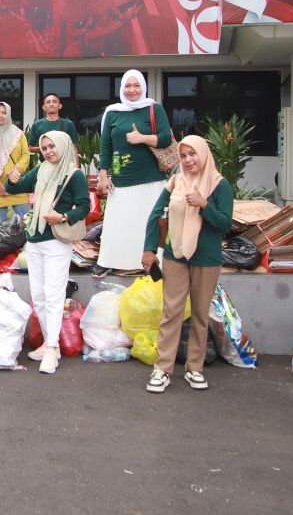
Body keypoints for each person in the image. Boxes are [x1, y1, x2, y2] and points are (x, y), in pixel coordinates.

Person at [141, 136, 233, 393]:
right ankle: (162, 369)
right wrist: (149, 249)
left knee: (201, 315)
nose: (188, 159)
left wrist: (205, 206)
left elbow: (225, 224)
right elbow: (155, 215)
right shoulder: (175, 182)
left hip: (206, 258)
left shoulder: (219, 185)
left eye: (193, 154)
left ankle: (194, 368)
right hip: (175, 256)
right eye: (183, 155)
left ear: (203, 154)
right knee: (171, 312)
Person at [6, 131, 90, 374]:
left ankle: (52, 348)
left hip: (56, 241)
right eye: (44, 148)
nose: (49, 151)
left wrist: (63, 216)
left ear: (63, 146)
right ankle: (48, 342)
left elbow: (84, 205)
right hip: (34, 241)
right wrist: (13, 178)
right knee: (39, 297)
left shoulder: (74, 174)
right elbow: (17, 187)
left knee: (53, 297)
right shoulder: (41, 170)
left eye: (53, 146)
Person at [94, 70, 173, 277]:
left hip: (151, 178)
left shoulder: (153, 108)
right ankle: (110, 261)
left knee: (152, 222)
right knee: (118, 223)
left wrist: (143, 138)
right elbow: (106, 146)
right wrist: (103, 174)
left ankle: (154, 264)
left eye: (136, 85)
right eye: (127, 86)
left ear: (143, 87)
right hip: (122, 178)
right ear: (122, 89)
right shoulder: (112, 112)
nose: (132, 90)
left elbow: (165, 138)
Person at [0, 101, 30, 227]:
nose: (0, 115)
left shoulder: (19, 134)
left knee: (27, 222)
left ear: (9, 115)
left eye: (4, 112)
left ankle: (28, 246)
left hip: (16, 183)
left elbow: (26, 154)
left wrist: (16, 170)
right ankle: (0, 247)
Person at [27, 94, 79, 164]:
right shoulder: (37, 124)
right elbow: (30, 148)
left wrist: (76, 168)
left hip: (65, 165)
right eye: (48, 102)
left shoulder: (68, 124)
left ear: (60, 106)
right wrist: (46, 148)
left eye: (54, 101)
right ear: (43, 107)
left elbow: (74, 148)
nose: (51, 104)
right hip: (45, 164)